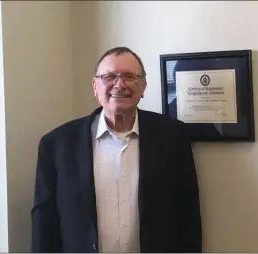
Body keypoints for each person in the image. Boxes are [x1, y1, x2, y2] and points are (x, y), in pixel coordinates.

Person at [31, 47, 202, 253]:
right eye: (109, 76)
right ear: (95, 86)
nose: (119, 84)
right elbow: (44, 221)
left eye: (129, 77)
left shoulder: (173, 137)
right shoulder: (57, 144)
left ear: (143, 86)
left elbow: (188, 215)